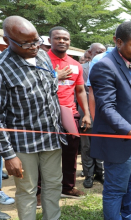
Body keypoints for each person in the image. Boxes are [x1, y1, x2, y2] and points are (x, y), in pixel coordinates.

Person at [89, 21, 131, 219]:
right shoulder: (105, 66)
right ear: (118, 42)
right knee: (115, 189)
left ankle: (130, 215)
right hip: (120, 139)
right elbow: (106, 109)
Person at [0, 15, 66, 220]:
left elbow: (51, 89)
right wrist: (9, 155)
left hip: (51, 137)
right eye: (26, 43)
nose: (34, 47)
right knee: (27, 191)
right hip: (23, 144)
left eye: (36, 40)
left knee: (54, 185)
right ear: (7, 40)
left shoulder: (43, 56)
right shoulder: (2, 69)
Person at [47, 26, 91, 197]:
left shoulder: (75, 65)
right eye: (58, 38)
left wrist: (86, 113)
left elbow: (80, 91)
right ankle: (39, 191)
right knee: (45, 153)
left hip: (69, 114)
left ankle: (67, 187)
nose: (62, 41)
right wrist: (53, 76)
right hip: (45, 114)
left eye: (65, 38)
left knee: (71, 152)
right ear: (50, 40)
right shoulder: (40, 60)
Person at [80, 43, 106, 188]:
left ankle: (100, 173)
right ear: (89, 53)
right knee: (87, 147)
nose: (102, 55)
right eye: (98, 52)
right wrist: (86, 114)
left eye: (104, 52)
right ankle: (88, 175)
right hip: (86, 114)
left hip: (103, 115)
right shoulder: (81, 69)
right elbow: (79, 92)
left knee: (102, 144)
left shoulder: (108, 68)